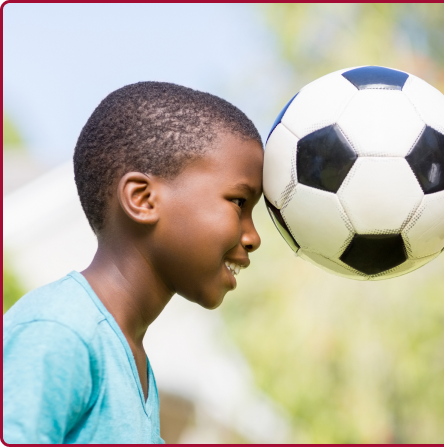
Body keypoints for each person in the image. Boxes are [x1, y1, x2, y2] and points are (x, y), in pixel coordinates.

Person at [3, 82, 264, 443]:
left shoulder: (132, 359)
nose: (253, 237)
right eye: (239, 203)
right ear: (142, 199)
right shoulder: (61, 331)